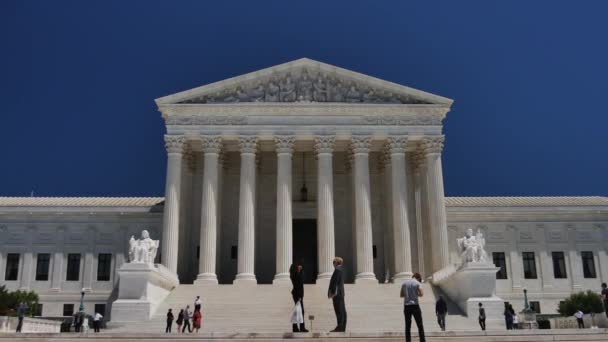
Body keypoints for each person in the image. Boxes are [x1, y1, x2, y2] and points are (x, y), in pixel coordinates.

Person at [401, 273, 425, 342]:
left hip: (407, 306)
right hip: (415, 306)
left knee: (407, 326)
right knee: (420, 325)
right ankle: (422, 341)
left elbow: (401, 295)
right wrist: (415, 294)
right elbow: (421, 294)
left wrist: (408, 294)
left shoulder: (404, 283)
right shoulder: (417, 283)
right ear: (418, 278)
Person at [328, 257, 347, 332]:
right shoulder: (341, 269)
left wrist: (332, 293)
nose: (333, 264)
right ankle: (342, 327)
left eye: (333, 262)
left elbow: (335, 283)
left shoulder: (337, 270)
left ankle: (340, 327)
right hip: (341, 293)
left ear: (336, 263)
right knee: (342, 310)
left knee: (339, 310)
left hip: (337, 294)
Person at [290, 263, 308, 332]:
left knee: (298, 311)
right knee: (300, 311)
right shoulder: (296, 275)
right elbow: (299, 286)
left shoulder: (295, 274)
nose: (300, 266)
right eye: (299, 266)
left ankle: (297, 328)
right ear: (295, 268)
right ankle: (301, 328)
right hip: (298, 295)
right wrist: (300, 296)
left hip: (297, 294)